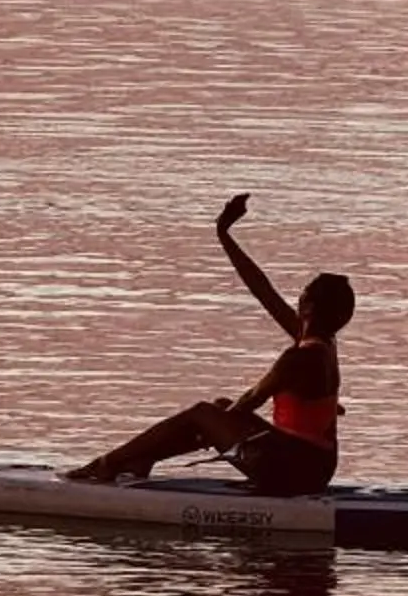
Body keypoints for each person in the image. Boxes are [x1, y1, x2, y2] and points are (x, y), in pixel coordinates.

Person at [70, 195, 352, 495]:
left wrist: (211, 426)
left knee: (205, 413)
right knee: (217, 409)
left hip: (292, 472)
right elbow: (263, 291)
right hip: (315, 467)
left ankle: (108, 463)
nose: (296, 298)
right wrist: (224, 236)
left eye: (303, 294)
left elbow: (248, 403)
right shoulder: (323, 343)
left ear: (308, 308)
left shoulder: (297, 358)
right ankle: (141, 459)